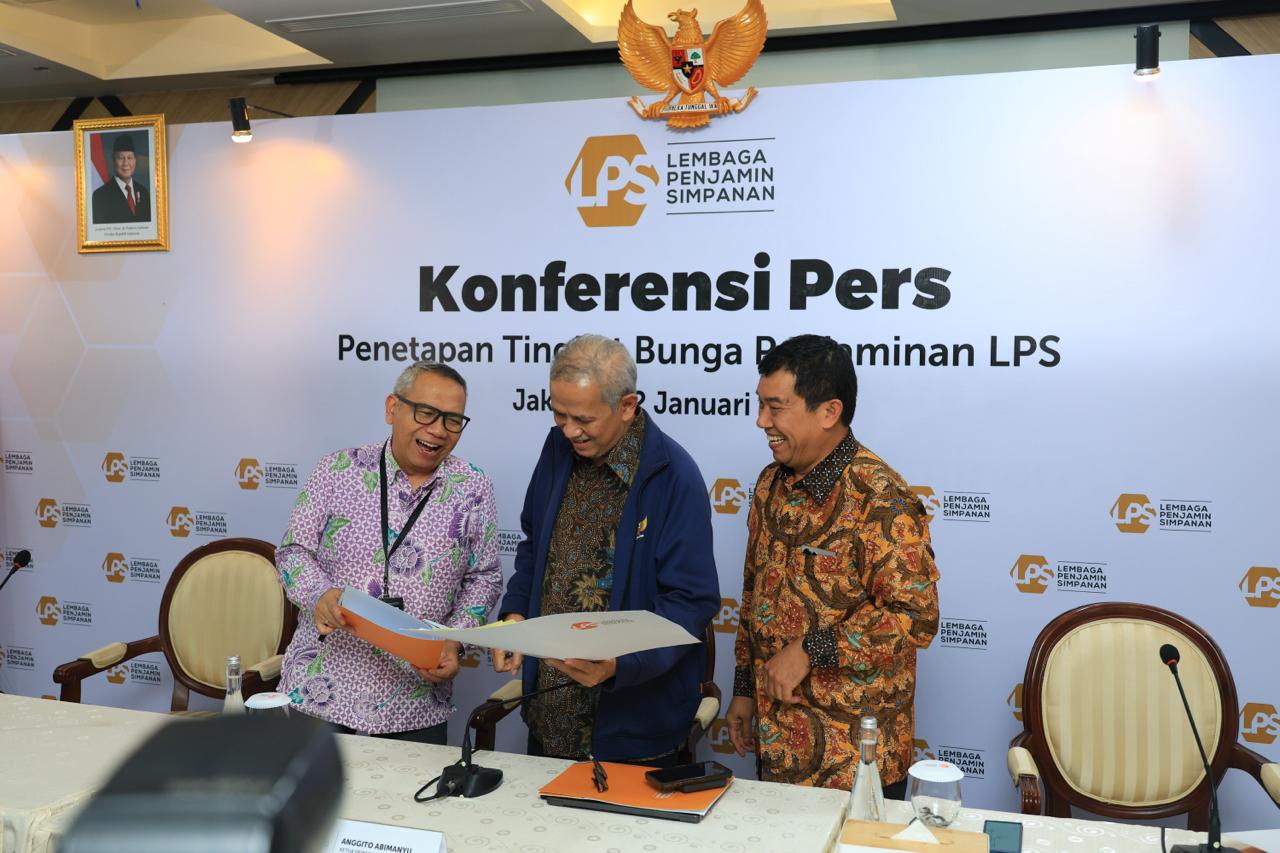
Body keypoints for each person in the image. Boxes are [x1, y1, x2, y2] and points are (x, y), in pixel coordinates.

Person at [726, 334, 939, 796]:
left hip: (856, 762)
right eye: (761, 405)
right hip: (777, 745)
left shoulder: (880, 497)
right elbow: (753, 592)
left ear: (828, 411)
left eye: (776, 407)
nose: (762, 421)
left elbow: (914, 616)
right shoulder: (769, 484)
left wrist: (810, 649)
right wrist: (743, 687)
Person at [493, 334, 720, 766]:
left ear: (627, 406)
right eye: (559, 414)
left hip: (632, 727)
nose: (569, 430)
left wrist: (621, 664)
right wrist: (516, 614)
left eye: (583, 419)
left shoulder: (674, 476)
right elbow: (534, 546)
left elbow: (691, 601)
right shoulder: (557, 449)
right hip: (548, 711)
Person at [275, 361, 503, 743]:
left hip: (416, 701)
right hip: (321, 689)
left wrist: (455, 640)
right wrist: (320, 596)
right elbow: (292, 552)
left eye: (452, 420)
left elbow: (485, 577)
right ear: (392, 409)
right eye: (426, 412)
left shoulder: (474, 487)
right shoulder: (337, 469)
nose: (438, 430)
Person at [90, 134, 151, 224]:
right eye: (121, 158)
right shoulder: (100, 196)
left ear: (135, 160)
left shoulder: (143, 192)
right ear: (113, 160)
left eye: (130, 157)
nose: (126, 163)